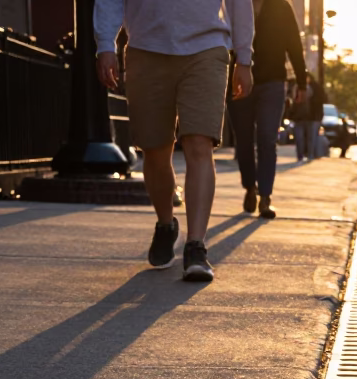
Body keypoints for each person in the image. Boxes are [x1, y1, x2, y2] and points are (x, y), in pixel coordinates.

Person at [95, 0, 253, 282]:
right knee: (155, 150)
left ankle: (196, 246)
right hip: (146, 48)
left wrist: (244, 57)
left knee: (200, 144)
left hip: (207, 47)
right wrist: (106, 44)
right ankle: (166, 224)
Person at [228, 0, 306, 220]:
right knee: (243, 140)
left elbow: (294, 44)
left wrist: (301, 82)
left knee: (267, 138)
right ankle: (249, 187)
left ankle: (265, 197)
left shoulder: (281, 7)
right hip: (238, 80)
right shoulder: (234, 4)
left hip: (272, 81)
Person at [294, 78, 327, 162]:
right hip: (300, 117)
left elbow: (322, 101)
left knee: (310, 138)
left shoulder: (316, 88)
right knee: (302, 138)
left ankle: (309, 155)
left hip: (311, 117)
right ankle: (303, 155)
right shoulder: (297, 87)